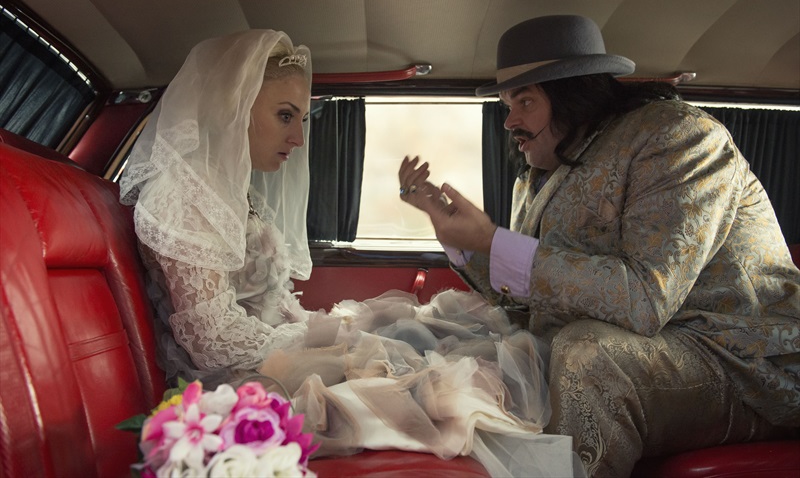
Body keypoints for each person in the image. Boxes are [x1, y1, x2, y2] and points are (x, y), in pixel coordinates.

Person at [119, 29, 583, 477]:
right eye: (285, 116)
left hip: (269, 352)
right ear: (233, 107)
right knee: (424, 372)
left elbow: (270, 301)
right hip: (243, 375)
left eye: (301, 120)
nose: (299, 138)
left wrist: (324, 330)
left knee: (426, 339)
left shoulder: (236, 194)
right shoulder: (183, 197)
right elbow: (211, 340)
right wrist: (323, 341)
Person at [398, 14, 800, 477]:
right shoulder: (537, 178)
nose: (510, 121)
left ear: (574, 93)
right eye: (507, 104)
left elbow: (645, 300)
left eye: (525, 101)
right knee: (443, 341)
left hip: (742, 363)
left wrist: (492, 239)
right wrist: (459, 240)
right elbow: (525, 298)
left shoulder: (678, 137)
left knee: (586, 355)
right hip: (641, 347)